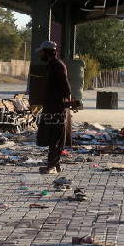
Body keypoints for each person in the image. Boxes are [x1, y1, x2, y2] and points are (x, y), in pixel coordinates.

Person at [36, 41, 71, 174]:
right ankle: (55, 164)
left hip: (57, 107)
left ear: (47, 52)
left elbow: (66, 86)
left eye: (42, 52)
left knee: (56, 136)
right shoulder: (51, 65)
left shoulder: (58, 66)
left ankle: (52, 165)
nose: (40, 54)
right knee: (52, 135)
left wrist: (67, 102)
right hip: (51, 106)